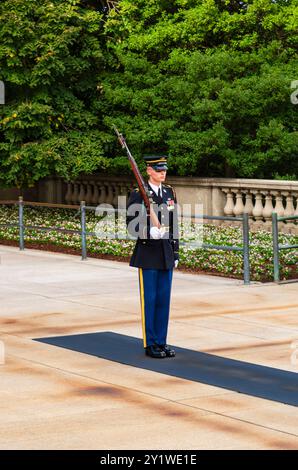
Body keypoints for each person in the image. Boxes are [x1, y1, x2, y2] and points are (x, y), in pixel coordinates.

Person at [126, 155, 179, 358]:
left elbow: (174, 224)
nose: (162, 173)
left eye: (164, 169)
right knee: (150, 299)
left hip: (165, 253)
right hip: (148, 254)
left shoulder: (169, 192)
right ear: (148, 171)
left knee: (163, 300)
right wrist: (149, 232)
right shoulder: (139, 194)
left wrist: (175, 251)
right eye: (158, 170)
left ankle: (161, 341)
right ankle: (150, 344)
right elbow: (131, 226)